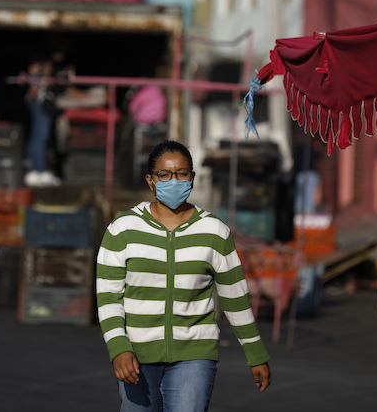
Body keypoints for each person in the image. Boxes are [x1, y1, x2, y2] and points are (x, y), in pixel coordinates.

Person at [96, 140, 271, 411]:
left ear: (192, 177)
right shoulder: (122, 230)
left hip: (195, 355)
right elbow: (108, 297)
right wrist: (119, 348)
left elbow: (235, 297)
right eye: (164, 175)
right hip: (136, 356)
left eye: (182, 173)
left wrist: (255, 353)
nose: (173, 180)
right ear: (150, 181)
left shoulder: (214, 231)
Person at [23, 54, 61, 187]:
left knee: (38, 136)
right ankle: (38, 170)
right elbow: (32, 88)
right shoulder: (40, 70)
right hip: (39, 104)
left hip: (41, 104)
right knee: (40, 137)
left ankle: (34, 170)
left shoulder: (45, 71)